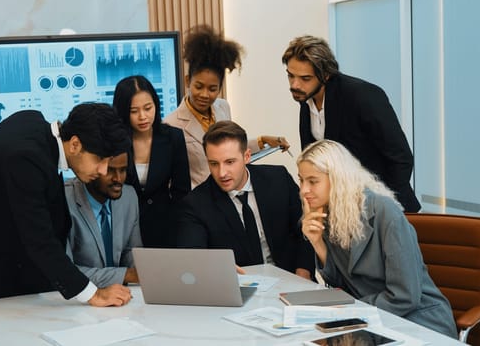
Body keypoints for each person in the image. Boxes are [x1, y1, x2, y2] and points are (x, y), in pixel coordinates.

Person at [0, 103, 133, 346]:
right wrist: (92, 293)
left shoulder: (34, 125)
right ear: (75, 144)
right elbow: (39, 240)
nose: (104, 171)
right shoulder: (27, 157)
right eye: (100, 160)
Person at [297, 139, 456, 338]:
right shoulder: (328, 214)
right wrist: (318, 242)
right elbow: (343, 283)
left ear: (338, 179)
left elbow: (404, 296)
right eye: (301, 180)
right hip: (370, 320)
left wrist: (351, 311)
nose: (304, 190)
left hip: (417, 321)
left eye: (313, 181)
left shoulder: (385, 212)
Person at [282, 35, 421, 212]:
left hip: (382, 208)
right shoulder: (306, 100)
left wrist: (383, 207)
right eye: (290, 76)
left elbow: (401, 158)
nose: (295, 85)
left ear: (326, 75)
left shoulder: (362, 96)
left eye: (305, 78)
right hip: (341, 210)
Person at [175, 120, 313, 279]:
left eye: (229, 162)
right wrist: (217, 269)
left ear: (247, 156)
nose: (222, 173)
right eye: (213, 164)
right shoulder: (196, 203)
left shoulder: (278, 180)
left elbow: (305, 229)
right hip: (236, 287)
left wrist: (304, 271)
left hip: (291, 278)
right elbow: (192, 257)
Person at [165, 25, 291, 188]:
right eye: (198, 86)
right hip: (200, 201)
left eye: (212, 89)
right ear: (188, 81)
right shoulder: (171, 125)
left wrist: (263, 141)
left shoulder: (223, 107)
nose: (204, 94)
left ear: (220, 87)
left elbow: (231, 147)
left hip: (229, 193)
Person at [113, 75, 191, 247]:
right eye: (134, 111)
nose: (143, 116)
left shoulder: (173, 137)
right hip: (122, 226)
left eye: (148, 108)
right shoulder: (115, 142)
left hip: (164, 226)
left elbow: (182, 192)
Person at [65, 152, 143, 288]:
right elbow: (64, 271)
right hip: (75, 299)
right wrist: (125, 275)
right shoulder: (64, 200)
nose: (118, 179)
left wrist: (146, 272)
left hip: (120, 298)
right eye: (110, 170)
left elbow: (132, 254)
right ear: (94, 168)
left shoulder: (129, 196)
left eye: (123, 170)